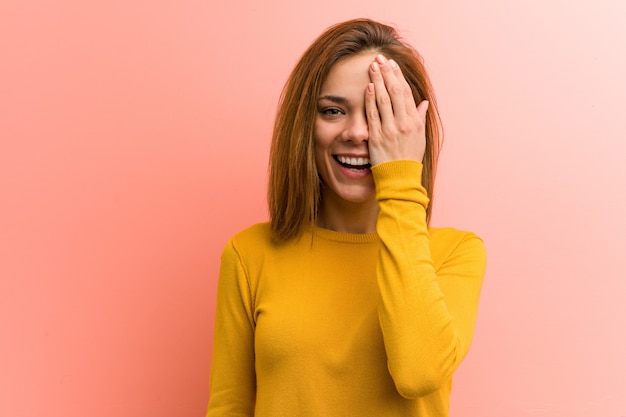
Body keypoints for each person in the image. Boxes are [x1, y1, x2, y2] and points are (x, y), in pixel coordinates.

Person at [205, 18, 486, 417]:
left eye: (379, 112)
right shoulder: (249, 255)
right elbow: (229, 408)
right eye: (333, 110)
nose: (357, 132)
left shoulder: (455, 254)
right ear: (305, 124)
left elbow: (418, 374)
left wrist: (402, 180)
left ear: (412, 131)